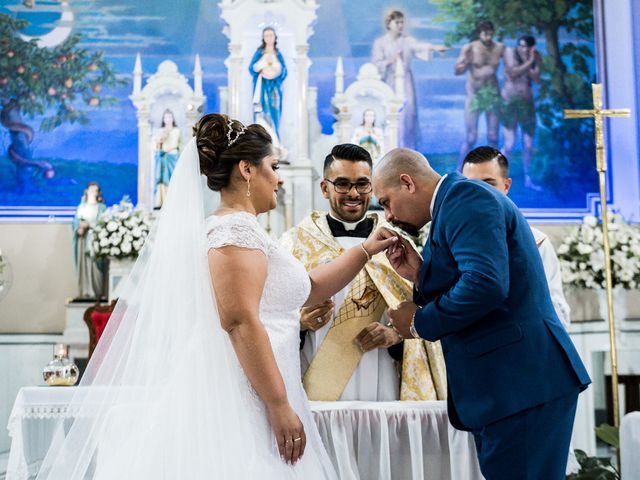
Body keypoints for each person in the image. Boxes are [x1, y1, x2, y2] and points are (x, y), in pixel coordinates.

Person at [35, 114, 398, 479]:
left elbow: (308, 288)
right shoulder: (234, 231)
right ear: (246, 169)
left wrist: (365, 250)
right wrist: (278, 404)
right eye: (273, 166)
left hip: (265, 387)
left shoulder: (245, 230)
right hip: (245, 398)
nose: (280, 177)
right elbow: (240, 322)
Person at [372, 147, 591, 479]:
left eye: (386, 201)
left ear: (407, 182)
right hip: (511, 385)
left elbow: (486, 283)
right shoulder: (453, 204)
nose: (387, 215)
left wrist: (419, 322)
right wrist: (421, 274)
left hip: (520, 383)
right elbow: (475, 276)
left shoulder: (465, 199)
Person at [281, 144, 446, 402]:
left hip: (383, 377)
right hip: (317, 377)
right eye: (343, 184)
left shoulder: (398, 242)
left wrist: (396, 334)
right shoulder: (295, 245)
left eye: (362, 184)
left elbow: (426, 310)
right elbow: (272, 318)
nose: (354, 193)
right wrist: (299, 325)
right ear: (325, 188)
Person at [461, 146, 570, 329]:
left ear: (506, 186)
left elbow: (557, 314)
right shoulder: (449, 242)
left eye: (489, 184)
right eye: (471, 185)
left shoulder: (536, 242)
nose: (479, 193)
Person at [372, 10, 447, 150]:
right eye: (397, 22)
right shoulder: (380, 43)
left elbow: (420, 46)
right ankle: (389, 149)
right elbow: (376, 64)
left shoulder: (406, 41)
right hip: (388, 82)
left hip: (406, 82)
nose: (400, 25)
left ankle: (407, 149)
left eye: (402, 22)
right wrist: (390, 61)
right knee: (390, 115)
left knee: (408, 115)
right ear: (389, 23)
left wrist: (435, 48)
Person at [455, 20, 504, 164]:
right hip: (474, 95)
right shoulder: (469, 48)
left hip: (492, 95)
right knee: (471, 137)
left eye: (490, 34)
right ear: (479, 34)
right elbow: (457, 70)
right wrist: (466, 62)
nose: (488, 37)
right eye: (485, 34)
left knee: (493, 136)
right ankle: (459, 170)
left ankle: (495, 172)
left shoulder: (499, 48)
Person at [501, 36, 542, 191]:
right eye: (521, 46)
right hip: (510, 103)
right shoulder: (510, 52)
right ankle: (497, 179)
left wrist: (533, 61)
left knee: (529, 144)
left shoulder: (535, 57)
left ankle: (528, 178)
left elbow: (536, 78)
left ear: (532, 47)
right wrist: (530, 61)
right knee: (509, 143)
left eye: (527, 47)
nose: (523, 49)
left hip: (527, 103)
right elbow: (512, 73)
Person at [249, 27, 287, 143]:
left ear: (275, 37)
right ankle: (261, 141)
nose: (269, 38)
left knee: (274, 113)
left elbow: (284, 71)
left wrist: (276, 72)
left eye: (271, 35)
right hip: (262, 87)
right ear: (263, 38)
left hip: (274, 87)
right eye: (266, 35)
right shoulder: (259, 53)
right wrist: (262, 67)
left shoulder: (278, 54)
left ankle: (275, 143)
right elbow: (251, 68)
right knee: (262, 113)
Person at [72, 182, 106, 299]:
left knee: (95, 266)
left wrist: (89, 225)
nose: (92, 192)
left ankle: (96, 291)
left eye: (95, 190)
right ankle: (85, 290)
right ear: (86, 191)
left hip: (95, 241)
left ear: (98, 193)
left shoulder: (101, 207)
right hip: (83, 241)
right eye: (91, 190)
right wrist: (79, 227)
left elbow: (103, 223)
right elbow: (75, 221)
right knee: (84, 265)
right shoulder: (82, 207)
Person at [153, 109, 182, 208]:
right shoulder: (160, 131)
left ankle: (173, 203)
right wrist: (160, 140)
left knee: (172, 179)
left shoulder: (176, 131)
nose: (168, 119)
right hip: (162, 157)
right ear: (163, 119)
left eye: (170, 117)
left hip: (172, 157)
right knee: (161, 179)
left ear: (172, 118)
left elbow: (178, 145)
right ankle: (161, 202)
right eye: (166, 117)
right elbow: (156, 145)